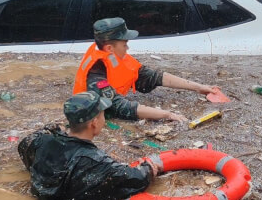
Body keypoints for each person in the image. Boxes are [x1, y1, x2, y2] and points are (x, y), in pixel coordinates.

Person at [18, 91, 163, 200]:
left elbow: (24, 144)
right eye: (102, 115)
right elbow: (136, 178)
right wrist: (149, 168)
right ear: (94, 122)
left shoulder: (42, 141)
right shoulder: (95, 161)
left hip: (42, 194)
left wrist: (54, 128)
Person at [73, 18, 221, 123]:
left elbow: (154, 76)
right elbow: (120, 107)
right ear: (110, 48)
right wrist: (167, 114)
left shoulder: (114, 55)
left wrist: (199, 87)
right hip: (93, 117)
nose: (128, 48)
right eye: (125, 44)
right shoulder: (95, 74)